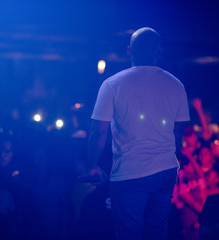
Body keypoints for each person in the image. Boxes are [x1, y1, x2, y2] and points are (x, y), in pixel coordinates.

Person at [85, 27, 190, 240]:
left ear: (128, 51)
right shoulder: (176, 85)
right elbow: (179, 130)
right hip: (165, 171)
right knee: (157, 231)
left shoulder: (112, 84)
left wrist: (92, 166)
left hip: (129, 173)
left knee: (128, 233)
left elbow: (98, 131)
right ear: (158, 52)